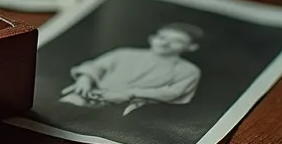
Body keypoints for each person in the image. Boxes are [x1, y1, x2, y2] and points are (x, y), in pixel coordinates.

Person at [60, 23, 203, 115]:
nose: (165, 43)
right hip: (94, 93)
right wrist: (85, 79)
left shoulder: (189, 70)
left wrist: (130, 94)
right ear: (152, 38)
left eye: (177, 41)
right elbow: (96, 66)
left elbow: (173, 92)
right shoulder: (125, 53)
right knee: (68, 106)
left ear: (191, 47)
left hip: (135, 107)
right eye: (162, 37)